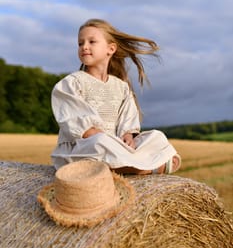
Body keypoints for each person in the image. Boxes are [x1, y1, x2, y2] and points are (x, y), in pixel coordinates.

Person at [51, 18, 181, 175]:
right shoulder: (71, 83)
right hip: (82, 148)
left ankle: (130, 162)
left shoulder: (121, 87)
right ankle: (142, 168)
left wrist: (127, 136)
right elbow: (82, 128)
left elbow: (127, 119)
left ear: (111, 49)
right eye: (80, 43)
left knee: (156, 136)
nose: (84, 46)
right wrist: (113, 143)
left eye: (92, 42)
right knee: (99, 142)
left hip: (116, 145)